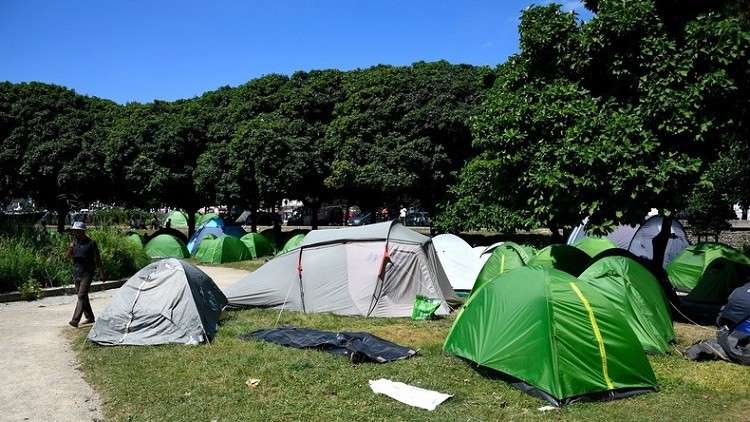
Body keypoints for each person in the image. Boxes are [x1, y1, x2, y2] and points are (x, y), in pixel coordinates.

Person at [66, 221, 104, 328]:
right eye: (74, 231)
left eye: (77, 231)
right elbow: (67, 257)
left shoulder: (91, 243)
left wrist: (101, 272)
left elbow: (97, 259)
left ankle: (75, 320)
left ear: (83, 231)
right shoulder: (74, 243)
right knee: (83, 296)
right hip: (77, 272)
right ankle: (90, 317)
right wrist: (70, 248)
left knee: (81, 295)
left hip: (88, 272)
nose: (75, 233)